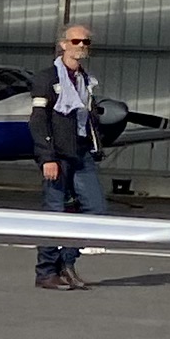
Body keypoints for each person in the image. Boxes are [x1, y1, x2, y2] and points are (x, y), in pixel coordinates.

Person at [30, 20, 113, 291]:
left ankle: (66, 261)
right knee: (54, 212)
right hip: (58, 154)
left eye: (86, 42)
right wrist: (47, 157)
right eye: (75, 41)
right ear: (63, 45)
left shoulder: (85, 80)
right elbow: (38, 120)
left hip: (81, 152)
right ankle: (45, 273)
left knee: (96, 209)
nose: (81, 46)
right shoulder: (46, 78)